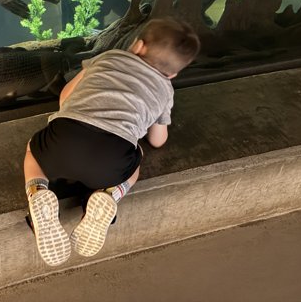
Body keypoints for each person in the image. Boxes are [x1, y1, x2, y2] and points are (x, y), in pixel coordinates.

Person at [23, 17, 201, 266]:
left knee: (33, 150)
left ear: (138, 46)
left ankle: (38, 193)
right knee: (136, 158)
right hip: (111, 159)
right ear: (173, 73)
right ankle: (109, 196)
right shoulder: (165, 90)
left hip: (65, 139)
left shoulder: (109, 57)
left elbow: (65, 98)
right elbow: (158, 140)